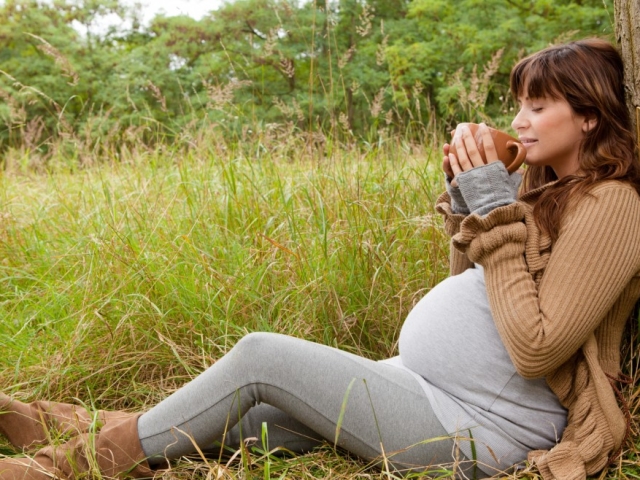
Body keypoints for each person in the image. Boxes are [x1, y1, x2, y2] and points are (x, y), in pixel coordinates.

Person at [1, 37, 639, 480]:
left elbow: (536, 348)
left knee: (260, 357)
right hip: (427, 387)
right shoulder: (546, 190)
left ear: (588, 118)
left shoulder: (613, 204)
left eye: (539, 105)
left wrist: (496, 212)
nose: (520, 121)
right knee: (254, 418)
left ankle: (69, 467)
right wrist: (467, 210)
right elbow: (482, 292)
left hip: (479, 430)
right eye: (519, 104)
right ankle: (67, 424)